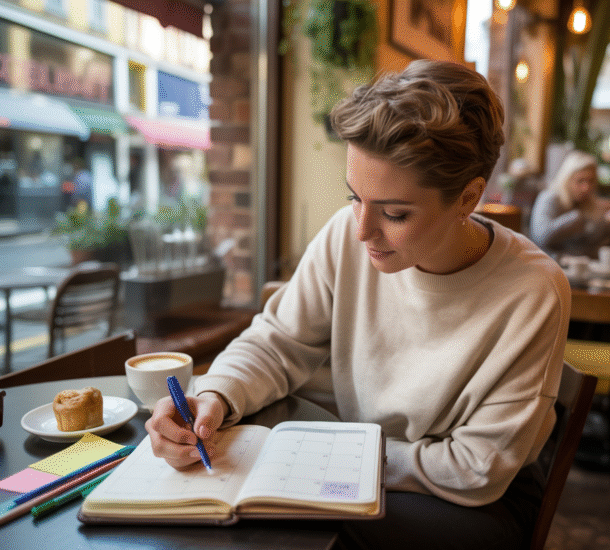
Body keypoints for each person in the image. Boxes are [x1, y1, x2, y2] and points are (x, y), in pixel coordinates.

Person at [145, 60, 571, 549]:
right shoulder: (346, 239)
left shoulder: (532, 293)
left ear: (467, 198)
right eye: (354, 198)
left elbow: (477, 470)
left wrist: (334, 457)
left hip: (477, 503)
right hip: (370, 460)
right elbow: (277, 341)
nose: (362, 230)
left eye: (394, 213)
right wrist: (214, 398)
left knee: (293, 524)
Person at [530, 150, 610, 258]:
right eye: (580, 180)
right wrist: (579, 216)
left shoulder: (584, 203)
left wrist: (609, 219)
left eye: (590, 181)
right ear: (567, 179)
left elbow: (586, 242)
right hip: (545, 268)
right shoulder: (549, 198)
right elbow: (542, 238)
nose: (586, 188)